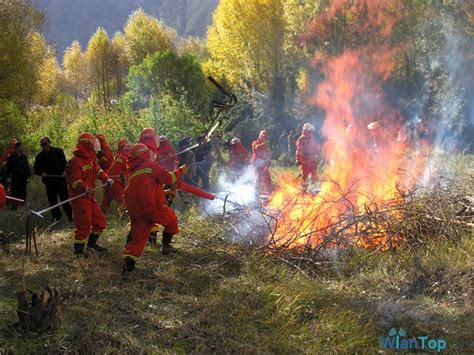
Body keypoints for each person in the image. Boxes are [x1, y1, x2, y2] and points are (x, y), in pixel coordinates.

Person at [123, 143, 187, 273]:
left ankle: (127, 268)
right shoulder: (150, 165)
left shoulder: (133, 172)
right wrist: (181, 170)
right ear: (145, 154)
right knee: (172, 220)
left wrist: (163, 193)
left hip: (136, 211)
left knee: (137, 240)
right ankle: (166, 246)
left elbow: (145, 190)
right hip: (152, 207)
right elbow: (169, 178)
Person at [66, 132, 113, 255]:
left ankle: (92, 245)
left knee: (100, 220)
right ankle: (79, 252)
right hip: (80, 198)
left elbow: (98, 171)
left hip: (90, 197)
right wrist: (84, 187)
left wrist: (107, 179)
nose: (95, 146)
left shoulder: (90, 159)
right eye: (92, 143)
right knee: (84, 225)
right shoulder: (76, 161)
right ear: (86, 144)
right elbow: (74, 181)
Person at [34, 137, 72, 221]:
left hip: (60, 180)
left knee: (65, 199)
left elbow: (65, 164)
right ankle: (56, 218)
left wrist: (64, 172)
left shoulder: (59, 152)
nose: (44, 146)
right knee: (52, 201)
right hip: (49, 182)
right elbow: (36, 169)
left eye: (45, 144)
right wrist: (41, 173)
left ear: (49, 143)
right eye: (42, 145)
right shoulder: (40, 157)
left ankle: (71, 217)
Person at [101, 141, 132, 214]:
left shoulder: (120, 156)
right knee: (121, 199)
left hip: (108, 180)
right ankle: (124, 218)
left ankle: (102, 213)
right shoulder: (125, 159)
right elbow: (127, 174)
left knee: (107, 198)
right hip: (114, 181)